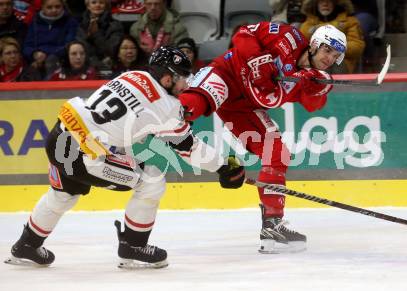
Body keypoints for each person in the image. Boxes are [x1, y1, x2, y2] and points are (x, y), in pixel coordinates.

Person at [4, 46, 245, 268]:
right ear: (167, 77)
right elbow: (189, 148)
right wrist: (225, 167)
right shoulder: (167, 107)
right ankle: (133, 245)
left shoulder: (131, 76)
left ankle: (27, 245)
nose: (185, 84)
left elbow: (123, 127)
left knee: (62, 195)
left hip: (60, 136)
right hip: (87, 155)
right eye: (183, 77)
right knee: (151, 180)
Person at [179, 22, 346, 254]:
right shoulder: (289, 36)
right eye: (327, 50)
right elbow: (243, 34)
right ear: (315, 44)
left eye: (335, 56)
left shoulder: (315, 77)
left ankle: (272, 224)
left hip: (244, 109)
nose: (329, 58)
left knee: (277, 153)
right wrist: (259, 61)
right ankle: (157, 122)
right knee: (190, 106)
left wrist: (316, 88)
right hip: (226, 74)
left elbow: (313, 105)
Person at [299, 0, 364, 73]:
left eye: (329, 1)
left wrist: (334, 45)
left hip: (340, 64)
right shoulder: (307, 25)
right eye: (321, 1)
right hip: (312, 63)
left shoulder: (350, 22)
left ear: (336, 3)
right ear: (315, 4)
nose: (325, 4)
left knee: (331, 60)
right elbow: (301, 46)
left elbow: (357, 47)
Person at [22, 0, 78, 79]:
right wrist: (34, 54)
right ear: (42, 8)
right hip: (36, 61)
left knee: (51, 61)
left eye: (57, 7)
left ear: (63, 6)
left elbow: (69, 45)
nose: (54, 10)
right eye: (49, 7)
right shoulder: (35, 22)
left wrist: (45, 55)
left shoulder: (70, 22)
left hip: (61, 61)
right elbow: (27, 46)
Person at [76, 0, 124, 71]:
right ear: (88, 6)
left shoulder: (116, 25)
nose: (98, 5)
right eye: (94, 2)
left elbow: (112, 50)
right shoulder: (79, 26)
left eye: (101, 2)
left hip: (109, 67)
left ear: (106, 6)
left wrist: (96, 34)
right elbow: (82, 49)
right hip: (85, 67)